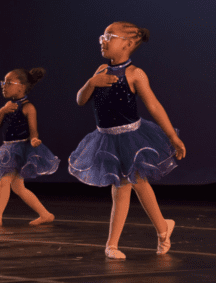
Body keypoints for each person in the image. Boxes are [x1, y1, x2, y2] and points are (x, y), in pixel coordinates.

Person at [69, 22, 186, 259]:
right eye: (102, 35)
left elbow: (154, 106)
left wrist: (173, 137)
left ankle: (158, 231)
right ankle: (146, 234)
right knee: (122, 189)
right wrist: (92, 83)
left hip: (132, 139)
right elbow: (81, 100)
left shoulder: (135, 74)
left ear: (128, 44)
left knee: (134, 185)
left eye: (109, 36)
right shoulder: (101, 70)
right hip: (107, 140)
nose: (103, 39)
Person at [0, 68, 60, 227]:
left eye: (9, 82)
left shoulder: (28, 107)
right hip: (8, 148)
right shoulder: (8, 106)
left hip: (20, 150)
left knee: (4, 181)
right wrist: (2, 111)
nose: (4, 85)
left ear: (22, 87)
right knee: (18, 187)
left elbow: (33, 131)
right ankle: (45, 214)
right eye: (3, 82)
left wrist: (35, 140)